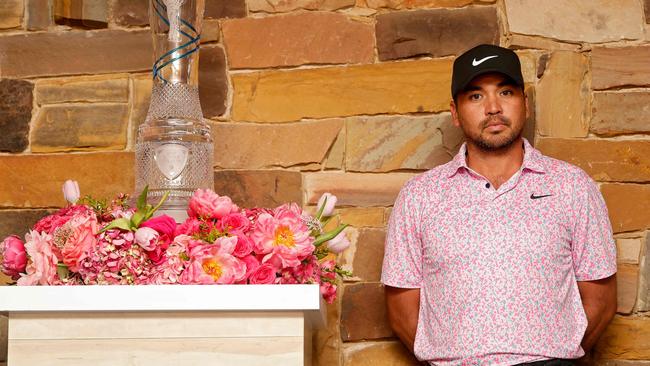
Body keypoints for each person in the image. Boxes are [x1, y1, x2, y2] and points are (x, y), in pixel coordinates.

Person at [381, 44, 617, 366]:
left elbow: (600, 301)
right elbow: (402, 311)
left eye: (505, 92)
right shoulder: (420, 196)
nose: (493, 107)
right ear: (455, 112)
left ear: (525, 104)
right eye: (476, 96)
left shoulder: (571, 186)